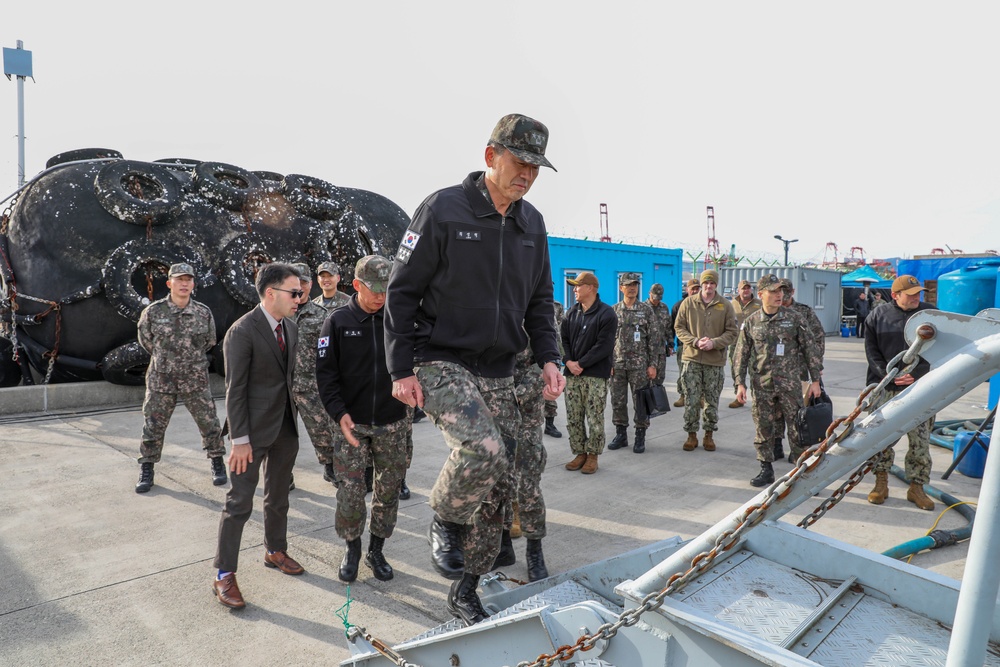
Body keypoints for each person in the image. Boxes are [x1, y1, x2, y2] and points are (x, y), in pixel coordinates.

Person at [384, 113, 564, 626]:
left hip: (500, 367)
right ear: (491, 156)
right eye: (519, 161)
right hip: (439, 357)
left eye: (536, 166)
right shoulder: (443, 209)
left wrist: (549, 357)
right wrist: (400, 367)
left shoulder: (532, 224)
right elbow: (401, 290)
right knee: (482, 448)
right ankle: (443, 517)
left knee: (500, 479)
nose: (527, 174)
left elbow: (541, 300)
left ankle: (466, 589)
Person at [213, 262, 304, 610]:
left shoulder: (290, 329)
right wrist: (239, 440)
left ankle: (274, 550)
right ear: (271, 293)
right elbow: (234, 391)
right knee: (238, 504)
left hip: (284, 428)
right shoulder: (243, 331)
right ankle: (223, 574)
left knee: (278, 496)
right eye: (293, 292)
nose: (299, 298)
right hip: (249, 434)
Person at [317, 255, 409, 582]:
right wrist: (338, 413)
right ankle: (352, 547)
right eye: (375, 290)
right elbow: (325, 376)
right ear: (356, 285)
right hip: (351, 424)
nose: (381, 297)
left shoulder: (397, 319)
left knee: (388, 490)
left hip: (393, 422)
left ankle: (376, 550)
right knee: (351, 491)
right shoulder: (337, 322)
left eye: (387, 290)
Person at [134, 263, 226, 493]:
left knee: (209, 423)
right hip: (161, 379)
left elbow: (209, 341)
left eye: (188, 279)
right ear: (169, 283)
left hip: (195, 378)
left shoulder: (203, 313)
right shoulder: (153, 312)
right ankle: (147, 467)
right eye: (179, 279)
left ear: (193, 283)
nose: (184, 283)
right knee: (152, 426)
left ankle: (217, 461)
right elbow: (146, 341)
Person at [734, 275, 822, 487]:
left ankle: (803, 473)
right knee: (763, 427)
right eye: (773, 291)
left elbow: (810, 349)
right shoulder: (752, 322)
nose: (779, 295)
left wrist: (816, 379)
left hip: (790, 384)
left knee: (797, 428)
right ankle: (766, 469)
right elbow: (740, 354)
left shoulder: (794, 318)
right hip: (762, 385)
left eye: (781, 291)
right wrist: (740, 383)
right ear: (761, 293)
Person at [864, 275, 936, 511]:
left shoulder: (930, 315)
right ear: (895, 295)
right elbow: (871, 352)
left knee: (920, 441)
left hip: (920, 388)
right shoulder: (878, 316)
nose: (917, 297)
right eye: (911, 294)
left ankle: (917, 487)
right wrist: (890, 375)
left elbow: (938, 350)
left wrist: (916, 374)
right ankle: (881, 483)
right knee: (882, 438)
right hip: (885, 387)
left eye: (919, 293)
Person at [673, 269, 738, 452]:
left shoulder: (725, 305)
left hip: (714, 361)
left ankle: (709, 434)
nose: (708, 287)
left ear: (716, 285)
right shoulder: (688, 303)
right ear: (701, 285)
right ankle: (691, 435)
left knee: (711, 400)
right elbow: (679, 327)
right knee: (691, 399)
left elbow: (732, 332)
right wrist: (694, 341)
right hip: (691, 359)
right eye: (705, 283)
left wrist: (714, 343)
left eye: (712, 283)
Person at [288, 263, 339, 490]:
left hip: (311, 385)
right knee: (281, 436)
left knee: (323, 431)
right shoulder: (277, 313)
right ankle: (283, 475)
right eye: (295, 282)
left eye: (304, 282)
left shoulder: (321, 316)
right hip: (282, 386)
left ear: (310, 285)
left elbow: (329, 352)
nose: (300, 287)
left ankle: (330, 466)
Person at [561, 271, 617, 472]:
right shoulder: (571, 312)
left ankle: (593, 455)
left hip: (594, 375)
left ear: (591, 288)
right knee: (574, 416)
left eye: (578, 285)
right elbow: (563, 340)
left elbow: (604, 346)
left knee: (594, 416)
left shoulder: (606, 313)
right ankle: (579, 452)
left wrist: (581, 364)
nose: (574, 289)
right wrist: (568, 362)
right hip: (572, 374)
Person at [509, 341, 552, 581]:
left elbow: (548, 359)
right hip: (490, 411)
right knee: (495, 481)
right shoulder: (482, 306)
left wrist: (513, 394)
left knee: (528, 483)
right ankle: (502, 543)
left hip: (526, 412)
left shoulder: (533, 309)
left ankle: (534, 549)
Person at [609, 273, 659, 453]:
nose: (632, 288)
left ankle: (640, 435)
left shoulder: (646, 310)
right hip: (618, 364)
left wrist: (653, 364)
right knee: (618, 401)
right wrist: (609, 363)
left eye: (635, 285)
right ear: (621, 287)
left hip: (640, 365)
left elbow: (654, 340)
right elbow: (607, 340)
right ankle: (621, 434)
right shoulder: (614, 311)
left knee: (640, 402)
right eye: (628, 285)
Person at [778, 277, 826, 461]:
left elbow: (818, 338)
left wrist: (816, 364)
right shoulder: (770, 310)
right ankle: (775, 444)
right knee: (774, 410)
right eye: (779, 291)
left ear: (793, 291)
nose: (783, 294)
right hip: (774, 370)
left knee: (797, 409)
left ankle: (797, 449)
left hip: (799, 369)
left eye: (786, 290)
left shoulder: (804, 312)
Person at [727, 279, 762, 409]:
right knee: (736, 370)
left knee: (755, 372)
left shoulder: (759, 304)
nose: (746, 290)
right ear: (738, 290)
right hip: (735, 343)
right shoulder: (731, 304)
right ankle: (739, 396)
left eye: (748, 288)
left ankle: (757, 399)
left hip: (754, 344)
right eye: (743, 288)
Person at [671, 279, 701, 408]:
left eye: (697, 288)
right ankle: (683, 395)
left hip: (700, 346)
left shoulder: (703, 304)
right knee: (683, 372)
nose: (695, 291)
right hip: (683, 346)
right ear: (687, 290)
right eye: (692, 288)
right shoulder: (678, 306)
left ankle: (701, 398)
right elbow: (673, 326)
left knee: (700, 373)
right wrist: (671, 343)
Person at [543, 299, 565, 439]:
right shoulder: (524, 299)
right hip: (528, 355)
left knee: (552, 388)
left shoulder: (557, 306)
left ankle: (550, 424)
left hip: (551, 353)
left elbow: (560, 330)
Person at [646, 283, 673, 391]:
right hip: (647, 350)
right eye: (654, 298)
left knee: (660, 376)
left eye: (658, 298)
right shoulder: (643, 308)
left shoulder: (664, 308)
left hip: (661, 349)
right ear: (649, 294)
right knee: (647, 377)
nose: (656, 300)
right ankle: (646, 402)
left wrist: (670, 343)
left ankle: (656, 401)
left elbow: (668, 327)